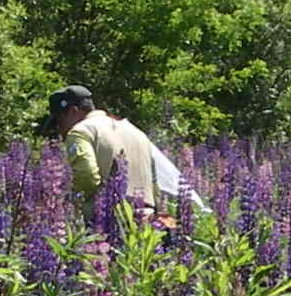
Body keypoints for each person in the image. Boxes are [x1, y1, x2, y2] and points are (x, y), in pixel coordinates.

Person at [40, 85, 206, 222]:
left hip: (108, 219)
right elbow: (155, 180)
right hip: (146, 218)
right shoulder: (135, 131)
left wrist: (64, 197)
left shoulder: (80, 132)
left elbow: (87, 177)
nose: (59, 130)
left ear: (72, 111)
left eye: (58, 121)